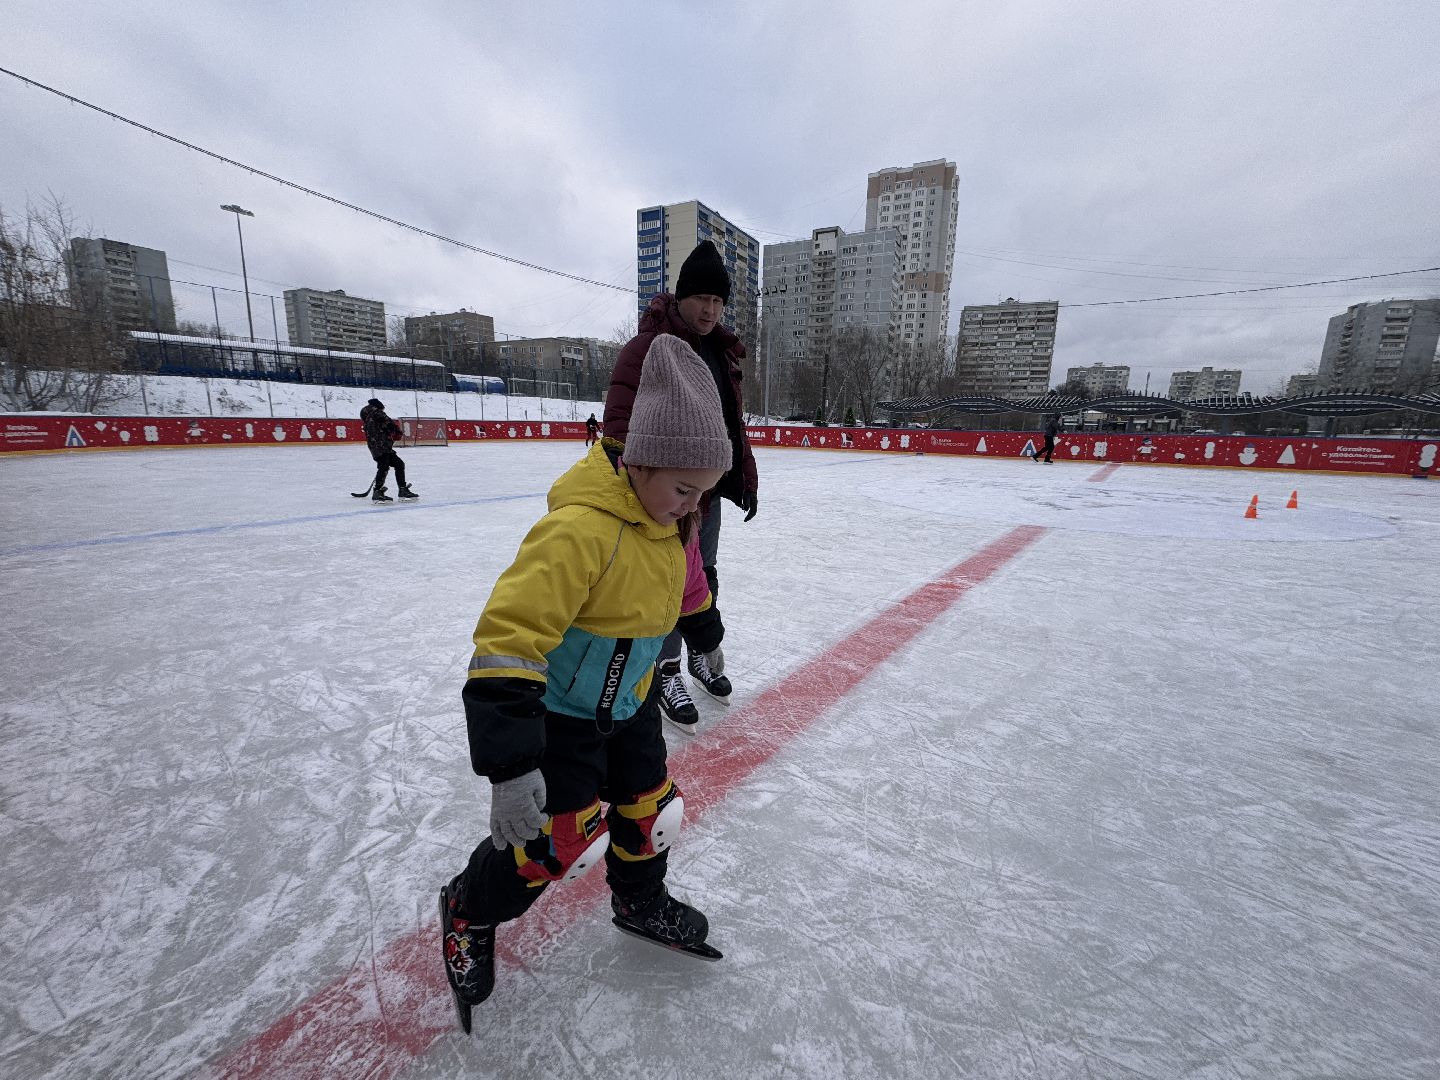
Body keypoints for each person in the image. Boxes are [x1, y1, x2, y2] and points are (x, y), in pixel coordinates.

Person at [439, 335, 730, 1021]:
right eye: (684, 489)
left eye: (704, 495)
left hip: (628, 709)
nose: (693, 507)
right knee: (554, 845)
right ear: (640, 459)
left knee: (650, 813)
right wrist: (511, 762)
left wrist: (708, 636)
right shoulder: (579, 531)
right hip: (562, 719)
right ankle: (467, 908)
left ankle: (638, 900)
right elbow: (508, 637)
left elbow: (686, 583)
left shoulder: (673, 521)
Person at [604, 240, 758, 725]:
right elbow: (619, 425)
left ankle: (696, 655)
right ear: (681, 298)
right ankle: (665, 669)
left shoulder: (719, 353)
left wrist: (744, 480)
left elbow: (730, 426)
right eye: (702, 300)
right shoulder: (646, 348)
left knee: (700, 575)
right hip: (661, 496)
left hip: (703, 496)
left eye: (718, 302)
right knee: (665, 582)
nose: (711, 310)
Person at [360, 398, 419, 500]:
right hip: (381, 446)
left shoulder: (369, 417)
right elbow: (389, 422)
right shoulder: (376, 413)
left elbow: (382, 427)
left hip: (380, 446)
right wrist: (397, 431)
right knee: (384, 466)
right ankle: (378, 491)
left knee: (398, 464)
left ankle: (402, 489)